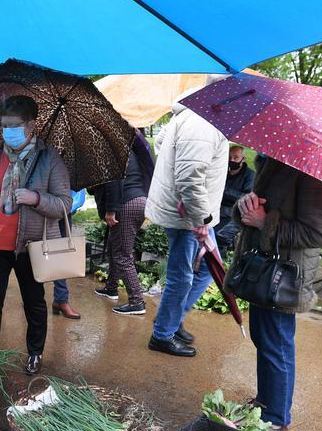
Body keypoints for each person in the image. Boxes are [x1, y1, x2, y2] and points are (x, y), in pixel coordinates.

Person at [233, 159, 322, 431]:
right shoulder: (276, 159)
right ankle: (266, 404)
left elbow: (315, 233)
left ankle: (276, 420)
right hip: (264, 268)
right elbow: (264, 206)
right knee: (264, 338)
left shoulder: (317, 171)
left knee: (276, 343)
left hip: (284, 275)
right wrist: (246, 205)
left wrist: (265, 221)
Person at [0, 95, 72, 375]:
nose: (8, 131)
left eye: (14, 125)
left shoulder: (49, 158)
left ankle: (35, 352)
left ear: (31, 125)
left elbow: (64, 204)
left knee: (34, 303)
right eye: (4, 125)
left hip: (31, 247)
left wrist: (35, 198)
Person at [145, 101, 230, 357]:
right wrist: (200, 220)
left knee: (208, 268)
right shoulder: (202, 121)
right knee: (182, 276)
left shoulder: (196, 117)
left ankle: (170, 319)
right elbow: (190, 173)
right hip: (189, 215)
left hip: (196, 211)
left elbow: (163, 143)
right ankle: (162, 335)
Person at [92, 129, 155, 316]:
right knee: (114, 246)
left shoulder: (114, 149)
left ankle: (137, 302)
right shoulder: (134, 149)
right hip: (138, 201)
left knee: (123, 255)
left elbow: (114, 181)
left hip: (126, 204)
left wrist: (111, 209)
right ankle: (111, 287)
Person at [51, 189, 86, 320]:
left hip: (63, 211)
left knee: (62, 256)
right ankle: (31, 296)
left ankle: (61, 300)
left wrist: (66, 206)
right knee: (34, 254)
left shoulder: (70, 170)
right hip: (38, 209)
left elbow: (78, 195)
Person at [216, 145, 254, 253]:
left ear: (243, 159)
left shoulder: (250, 176)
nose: (232, 160)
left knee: (219, 238)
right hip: (217, 211)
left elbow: (246, 198)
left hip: (232, 215)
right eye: (229, 157)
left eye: (236, 157)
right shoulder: (222, 171)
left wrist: (223, 190)